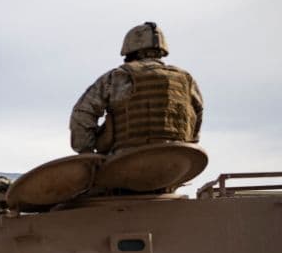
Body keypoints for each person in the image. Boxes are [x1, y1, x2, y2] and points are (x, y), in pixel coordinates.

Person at [70, 22, 203, 156]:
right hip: (176, 158)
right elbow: (197, 115)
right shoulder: (186, 79)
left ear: (130, 51)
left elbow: (82, 113)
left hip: (128, 157)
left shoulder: (118, 76)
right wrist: (189, 143)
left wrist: (86, 150)